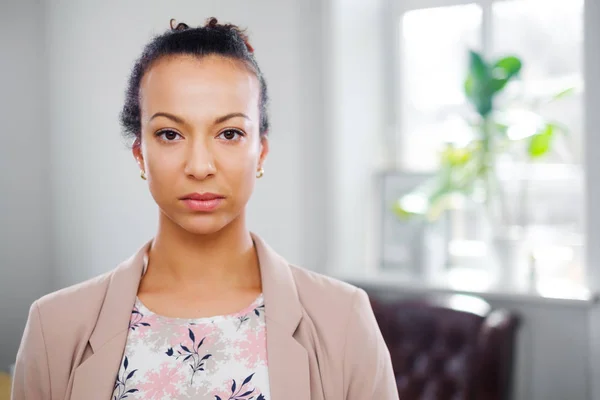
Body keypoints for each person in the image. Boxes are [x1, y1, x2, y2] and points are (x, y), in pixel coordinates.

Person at [11, 18, 399, 400]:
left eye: (229, 133)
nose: (199, 166)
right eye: (170, 134)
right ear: (140, 155)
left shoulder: (343, 318)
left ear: (260, 152)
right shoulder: (55, 327)